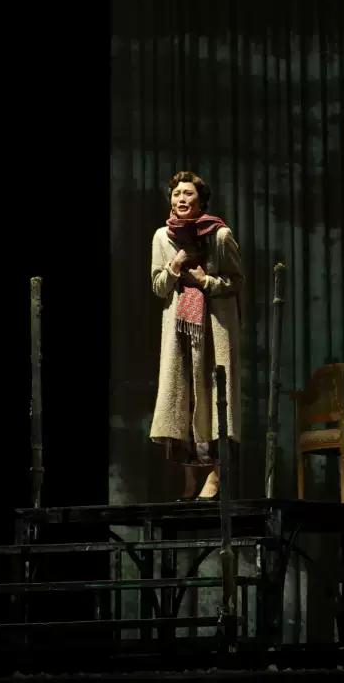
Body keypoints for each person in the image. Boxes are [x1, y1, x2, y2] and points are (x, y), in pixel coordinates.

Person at [149, 171, 244, 501]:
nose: (181, 199)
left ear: (201, 200)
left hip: (213, 328)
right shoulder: (162, 237)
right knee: (183, 398)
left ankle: (216, 478)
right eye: (176, 194)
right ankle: (190, 482)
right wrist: (175, 265)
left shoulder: (220, 235)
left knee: (216, 400)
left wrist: (206, 281)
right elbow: (158, 287)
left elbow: (236, 282)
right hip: (180, 332)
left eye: (188, 193)